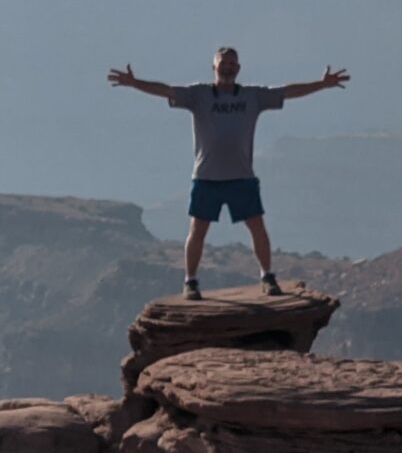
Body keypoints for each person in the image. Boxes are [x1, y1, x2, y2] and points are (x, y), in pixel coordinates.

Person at [107, 47, 350, 298]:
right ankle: (190, 281)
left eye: (232, 63)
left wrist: (322, 85)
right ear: (214, 67)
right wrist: (135, 83)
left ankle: (267, 277)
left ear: (239, 68)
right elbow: (166, 90)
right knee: (197, 231)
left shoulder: (252, 96)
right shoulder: (198, 95)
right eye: (224, 63)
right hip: (206, 178)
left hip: (241, 177)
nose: (228, 67)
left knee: (257, 228)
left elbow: (287, 92)